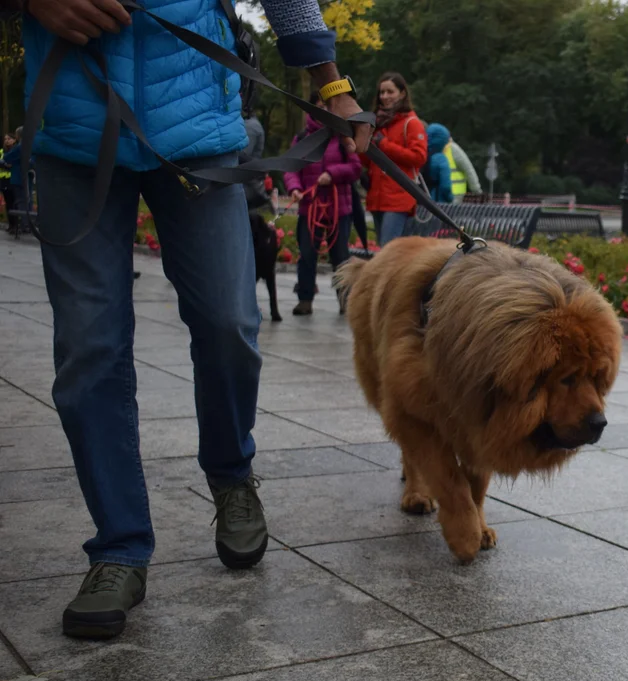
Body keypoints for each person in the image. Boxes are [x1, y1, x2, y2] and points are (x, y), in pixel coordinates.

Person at [16, 0, 372, 640]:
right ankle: (119, 548)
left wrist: (334, 87)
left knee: (230, 323)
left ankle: (233, 474)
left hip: (197, 126)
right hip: (74, 125)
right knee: (88, 348)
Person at [285, 91, 363, 316]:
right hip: (309, 207)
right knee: (307, 254)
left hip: (340, 208)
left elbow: (356, 167)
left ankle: (345, 300)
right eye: (319, 106)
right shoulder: (302, 139)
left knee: (340, 256)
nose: (323, 111)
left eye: (327, 106)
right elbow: (292, 168)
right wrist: (295, 188)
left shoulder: (343, 136)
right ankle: (305, 299)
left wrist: (333, 173)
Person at [363, 72, 426, 246]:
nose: (385, 97)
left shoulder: (411, 123)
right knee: (386, 252)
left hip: (399, 199)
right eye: (382, 92)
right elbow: (367, 162)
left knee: (388, 252)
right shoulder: (377, 123)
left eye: (390, 92)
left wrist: (384, 145)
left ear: (402, 93)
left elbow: (418, 157)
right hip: (377, 197)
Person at [423, 123, 453, 204]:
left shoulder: (421, 155)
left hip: (419, 201)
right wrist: (450, 198)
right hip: (437, 203)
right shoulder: (440, 159)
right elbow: (446, 186)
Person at [445, 137, 481, 203]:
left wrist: (476, 189)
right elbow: (468, 169)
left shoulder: (453, 149)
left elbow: (468, 169)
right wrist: (477, 190)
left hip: (454, 195)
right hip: (454, 193)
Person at [0, 133, 12, 231]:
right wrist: (4, 164)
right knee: (7, 203)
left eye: (8, 138)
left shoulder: (15, 150)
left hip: (11, 180)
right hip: (2, 179)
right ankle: (10, 224)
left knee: (11, 202)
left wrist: (5, 164)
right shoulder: (1, 151)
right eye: (5, 139)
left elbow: (12, 165)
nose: (6, 140)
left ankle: (14, 224)